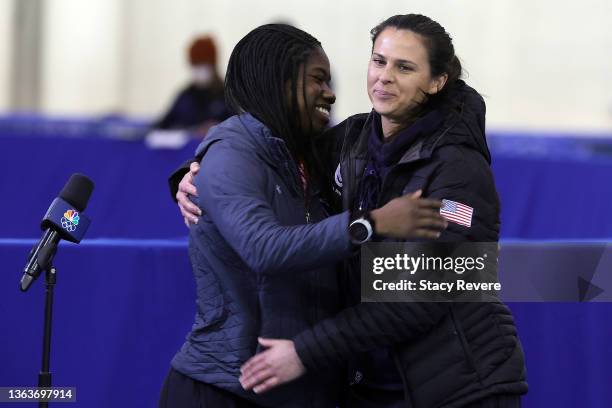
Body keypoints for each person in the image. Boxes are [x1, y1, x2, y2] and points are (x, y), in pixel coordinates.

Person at [175, 14, 528, 408]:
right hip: (375, 386)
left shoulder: (459, 170)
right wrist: (192, 178)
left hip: (460, 389)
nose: (384, 77)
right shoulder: (351, 141)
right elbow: (267, 158)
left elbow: (415, 300)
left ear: (437, 81)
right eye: (379, 61)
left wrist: (305, 352)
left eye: (404, 67)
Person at [152, 35, 232, 138]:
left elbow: (238, 128)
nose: (198, 70)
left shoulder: (226, 96)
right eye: (195, 65)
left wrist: (217, 128)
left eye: (203, 64)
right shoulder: (185, 96)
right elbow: (163, 125)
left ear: (213, 65)